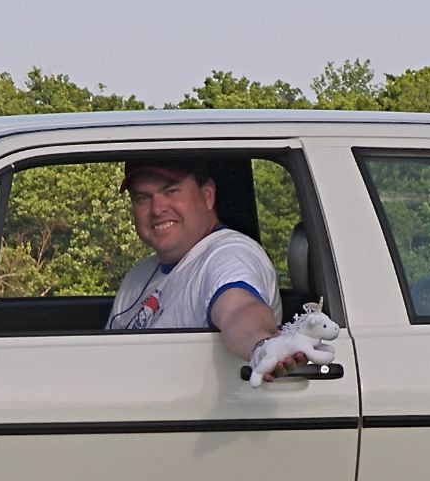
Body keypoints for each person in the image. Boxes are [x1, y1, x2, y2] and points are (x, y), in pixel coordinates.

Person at [105, 156, 315, 382]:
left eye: (171, 191)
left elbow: (238, 309)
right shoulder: (139, 276)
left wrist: (264, 345)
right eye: (142, 198)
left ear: (207, 195)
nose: (157, 209)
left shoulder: (228, 254)